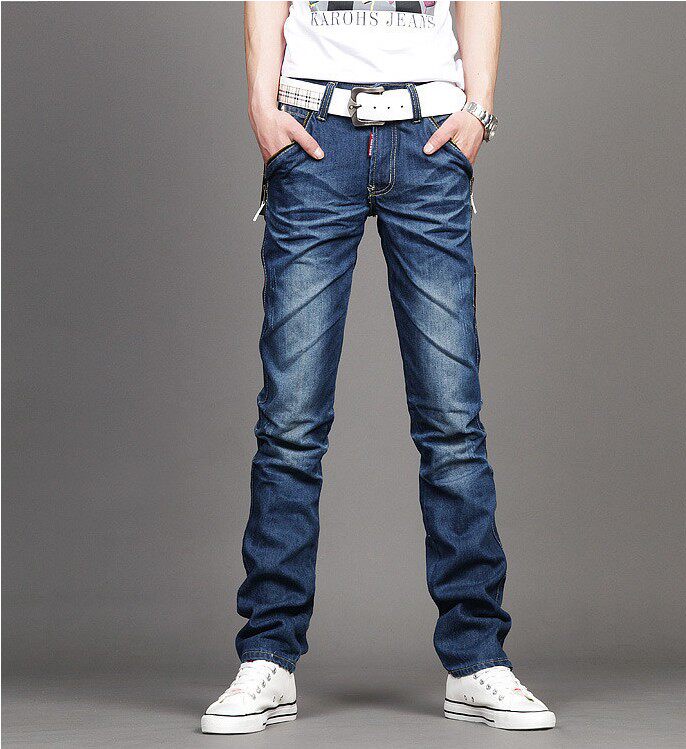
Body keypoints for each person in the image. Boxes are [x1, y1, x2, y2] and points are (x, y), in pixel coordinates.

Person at [201, 0, 556, 734]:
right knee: (291, 423)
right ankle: (267, 655)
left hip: (429, 135)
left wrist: (479, 112)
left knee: (452, 422)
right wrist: (261, 107)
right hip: (312, 132)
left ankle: (477, 658)